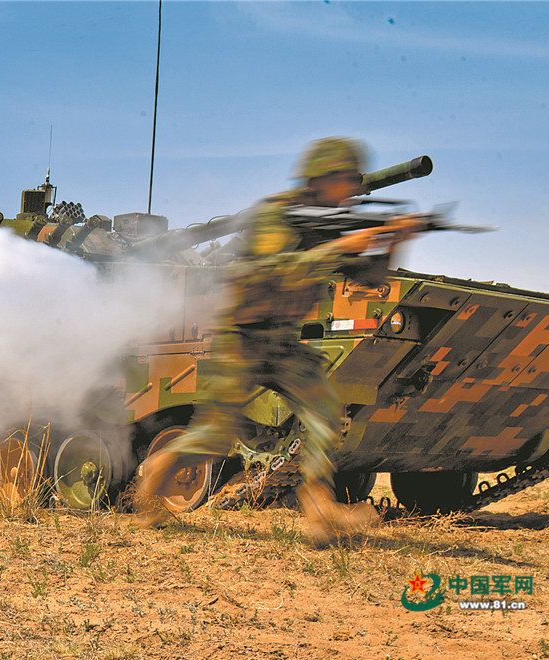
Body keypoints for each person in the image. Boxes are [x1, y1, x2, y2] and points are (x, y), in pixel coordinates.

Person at [134, 137, 421, 545]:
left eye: (354, 180)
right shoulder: (277, 214)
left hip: (284, 341)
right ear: (319, 178)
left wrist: (393, 242)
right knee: (215, 436)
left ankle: (319, 505)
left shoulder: (333, 222)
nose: (352, 189)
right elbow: (277, 271)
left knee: (325, 410)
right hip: (242, 340)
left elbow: (367, 279)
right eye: (344, 179)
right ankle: (158, 471)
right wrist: (340, 246)